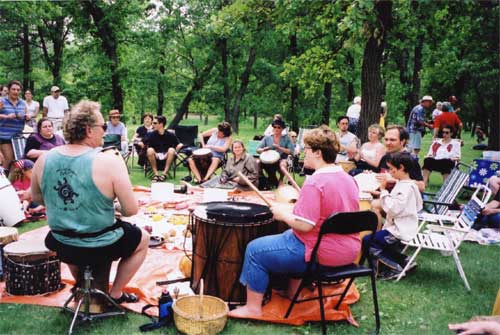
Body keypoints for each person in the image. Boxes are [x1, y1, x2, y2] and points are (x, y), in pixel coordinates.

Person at [228, 126, 360, 318]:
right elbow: (327, 214)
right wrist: (289, 211)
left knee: (255, 250)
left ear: (317, 152)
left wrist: (282, 215)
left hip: (320, 254)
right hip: (349, 251)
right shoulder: (348, 179)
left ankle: (253, 308)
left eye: (305, 149)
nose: (302, 153)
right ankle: (293, 293)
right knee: (287, 236)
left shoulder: (315, 182)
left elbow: (305, 225)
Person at [30, 100, 149, 304]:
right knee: (143, 239)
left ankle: (82, 285)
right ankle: (116, 293)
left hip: (60, 241)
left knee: (73, 241)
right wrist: (114, 206)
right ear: (88, 130)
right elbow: (130, 210)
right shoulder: (109, 159)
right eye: (102, 127)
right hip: (100, 242)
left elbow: (38, 199)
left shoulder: (44, 160)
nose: (105, 132)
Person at [363, 152, 423, 280]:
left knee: (369, 241)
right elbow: (416, 205)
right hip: (405, 225)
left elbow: (393, 209)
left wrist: (384, 191)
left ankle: (391, 269)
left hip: (399, 229)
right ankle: (404, 261)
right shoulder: (409, 184)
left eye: (391, 169)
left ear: (401, 167)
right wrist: (379, 194)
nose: (389, 172)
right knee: (379, 240)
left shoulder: (404, 188)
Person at [143, 115, 182, 181]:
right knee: (150, 150)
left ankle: (164, 174)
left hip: (167, 155)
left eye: (155, 123)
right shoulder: (151, 134)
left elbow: (179, 144)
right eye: (152, 123)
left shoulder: (170, 134)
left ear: (161, 124)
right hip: (155, 155)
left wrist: (175, 151)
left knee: (171, 150)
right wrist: (140, 143)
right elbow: (143, 143)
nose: (152, 124)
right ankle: (156, 174)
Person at [257, 119, 294, 188]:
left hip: (281, 159)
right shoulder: (267, 137)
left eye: (279, 127)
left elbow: (291, 151)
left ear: (282, 129)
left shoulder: (286, 138)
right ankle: (264, 179)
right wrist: (263, 149)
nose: (276, 129)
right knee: (257, 162)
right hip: (268, 159)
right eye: (274, 127)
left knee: (283, 164)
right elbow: (258, 150)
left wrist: (279, 147)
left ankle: (280, 180)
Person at [0, 80, 28, 172]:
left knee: (17, 161)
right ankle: (3, 182)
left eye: (18, 90)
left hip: (18, 137)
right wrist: (6, 116)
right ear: (8, 90)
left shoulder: (23, 103)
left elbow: (27, 115)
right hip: (4, 136)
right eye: (13, 89)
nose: (16, 92)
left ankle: (12, 183)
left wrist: (27, 117)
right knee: (9, 159)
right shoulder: (2, 101)